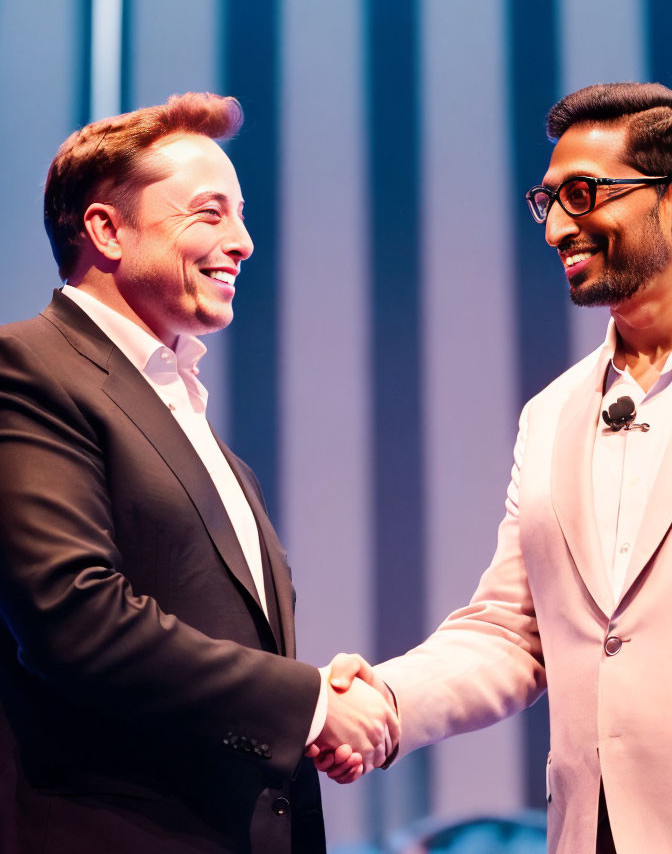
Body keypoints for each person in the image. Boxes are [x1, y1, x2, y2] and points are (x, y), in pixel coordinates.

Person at [0, 93, 398, 854]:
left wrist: (307, 707)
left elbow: (211, 637)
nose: (243, 242)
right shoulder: (28, 370)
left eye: (241, 215)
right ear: (106, 230)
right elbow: (73, 619)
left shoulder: (196, 428)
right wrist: (308, 703)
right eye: (210, 214)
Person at [315, 81, 672, 854]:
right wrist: (385, 700)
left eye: (583, 194)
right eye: (549, 204)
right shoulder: (552, 414)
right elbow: (514, 631)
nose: (558, 231)